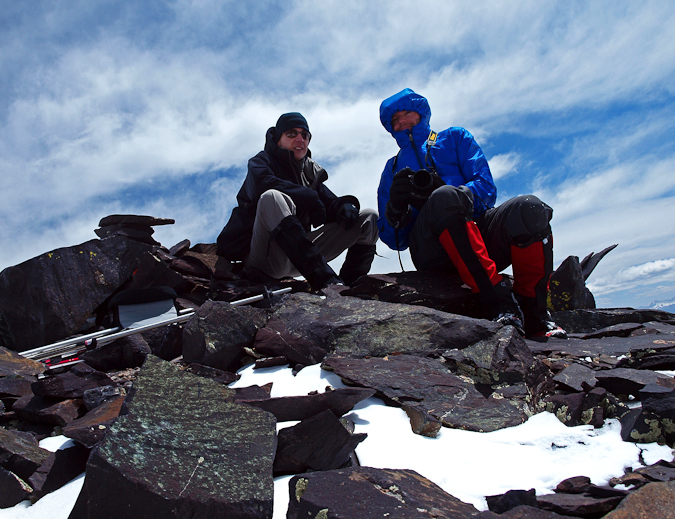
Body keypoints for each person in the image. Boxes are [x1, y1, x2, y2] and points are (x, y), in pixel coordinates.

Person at [377, 88, 566, 340]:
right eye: (394, 120)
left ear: (421, 113)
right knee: (444, 197)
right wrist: (396, 211)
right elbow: (394, 241)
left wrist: (453, 191)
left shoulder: (454, 138)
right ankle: (498, 304)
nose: (401, 122)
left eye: (406, 114)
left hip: (476, 235)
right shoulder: (392, 169)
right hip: (432, 252)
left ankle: (535, 314)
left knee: (528, 208)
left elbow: (487, 189)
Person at [217, 112, 378, 290]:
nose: (300, 139)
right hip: (266, 259)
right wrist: (308, 197)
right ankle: (325, 281)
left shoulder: (309, 173)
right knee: (272, 197)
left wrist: (344, 206)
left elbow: (328, 202)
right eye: (292, 133)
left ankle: (351, 286)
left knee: (369, 217)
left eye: (305, 135)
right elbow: (262, 185)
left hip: (298, 258)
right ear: (278, 138)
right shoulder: (260, 163)